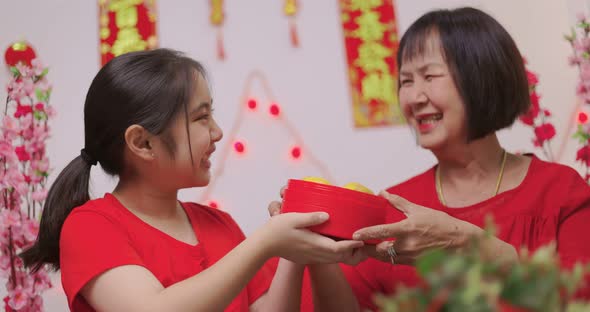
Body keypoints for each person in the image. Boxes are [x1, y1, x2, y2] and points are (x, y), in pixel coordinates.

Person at [272, 7, 590, 311]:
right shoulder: (393, 207)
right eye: (406, 81)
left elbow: (577, 301)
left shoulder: (561, 191)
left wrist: (465, 245)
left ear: (482, 77)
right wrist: (318, 247)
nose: (414, 97)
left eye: (429, 76)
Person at [20, 49, 365, 312]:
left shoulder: (221, 225)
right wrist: (265, 244)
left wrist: (294, 249)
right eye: (201, 118)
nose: (216, 132)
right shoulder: (90, 226)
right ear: (142, 143)